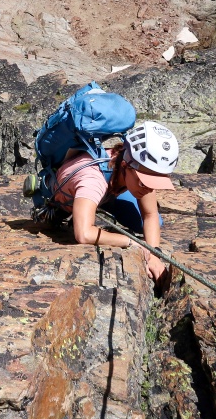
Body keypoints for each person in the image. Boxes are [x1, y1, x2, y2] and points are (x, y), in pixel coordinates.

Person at [51, 121, 178, 292]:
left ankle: (90, 208)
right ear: (126, 166)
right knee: (89, 222)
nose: (149, 189)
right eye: (144, 182)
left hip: (111, 190)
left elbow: (150, 215)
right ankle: (81, 210)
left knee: (147, 224)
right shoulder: (92, 180)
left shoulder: (135, 168)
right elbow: (84, 234)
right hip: (82, 193)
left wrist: (154, 254)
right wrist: (133, 243)